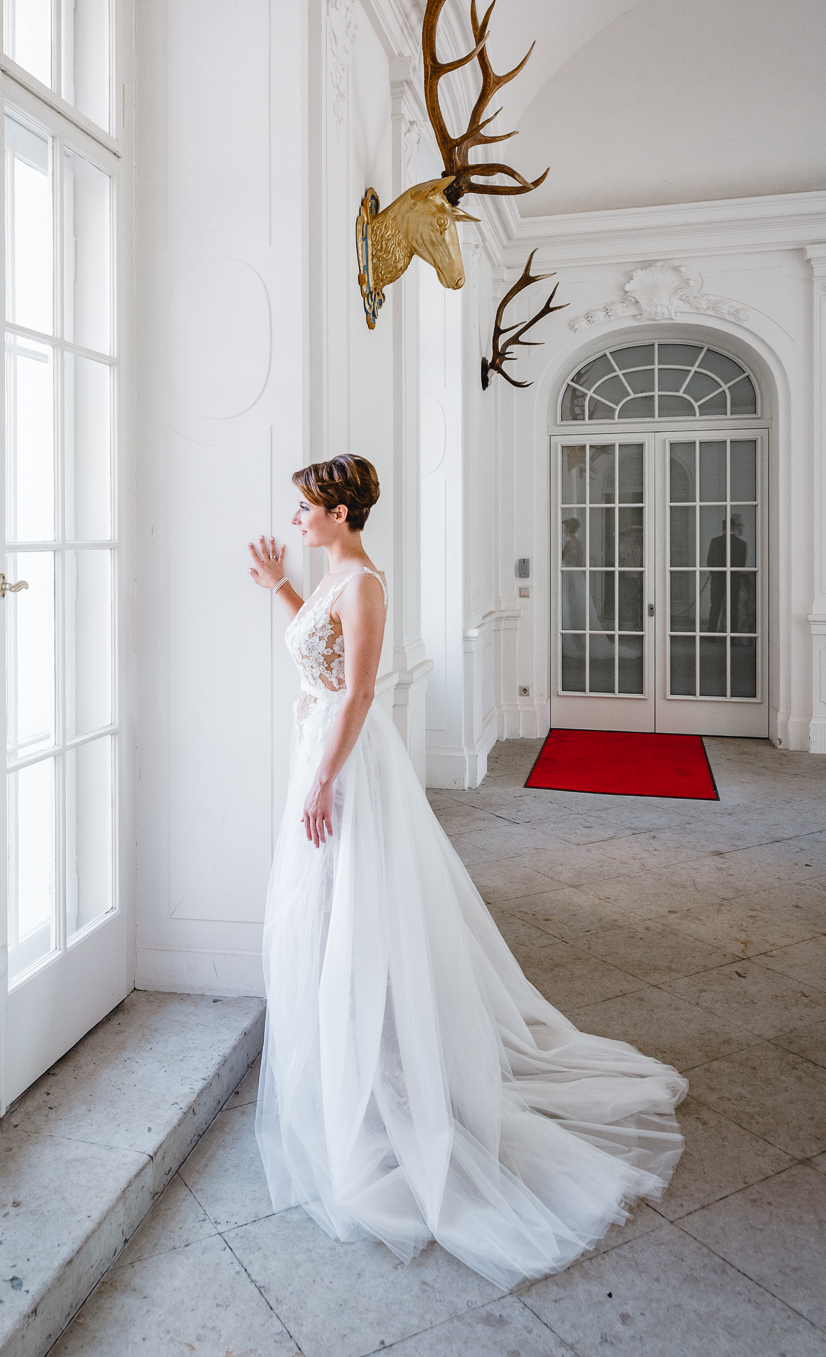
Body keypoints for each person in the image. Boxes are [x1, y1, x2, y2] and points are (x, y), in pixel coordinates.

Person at [248, 454, 686, 1290]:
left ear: (340, 515)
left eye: (305, 509)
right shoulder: (332, 586)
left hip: (344, 765)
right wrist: (280, 588)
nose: (296, 520)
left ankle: (389, 1074)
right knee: (327, 911)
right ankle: (355, 1069)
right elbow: (323, 660)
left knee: (357, 910)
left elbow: (361, 692)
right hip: (321, 753)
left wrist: (318, 780)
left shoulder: (367, 585)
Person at [705, 514, 747, 632]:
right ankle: (732, 635)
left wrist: (715, 573)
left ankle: (711, 632)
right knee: (733, 608)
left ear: (723, 528)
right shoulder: (742, 544)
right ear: (734, 528)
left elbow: (709, 561)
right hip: (733, 580)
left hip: (718, 579)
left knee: (715, 607)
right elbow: (741, 565)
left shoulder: (715, 541)